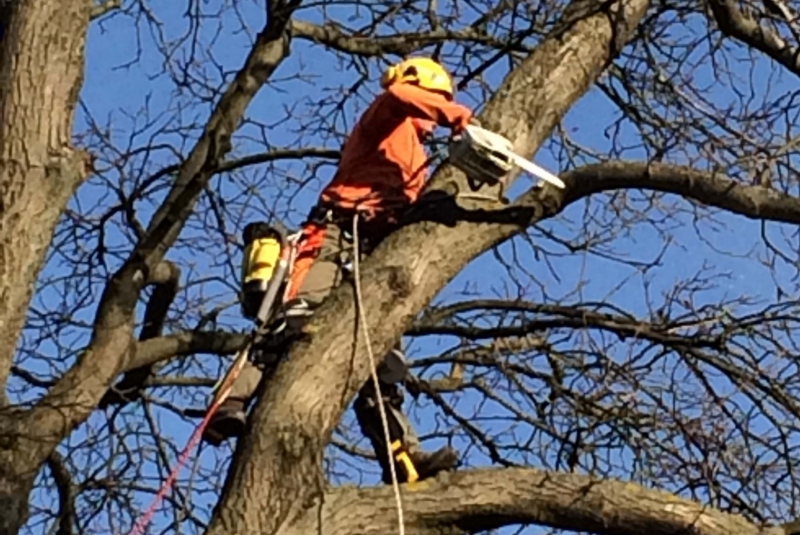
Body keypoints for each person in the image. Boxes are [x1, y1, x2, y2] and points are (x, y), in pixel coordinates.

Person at [202, 56, 473, 482]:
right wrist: (456, 114)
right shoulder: (385, 119)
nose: (433, 115)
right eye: (433, 99)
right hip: (333, 237)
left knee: (377, 356)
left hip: (372, 254)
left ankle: (401, 458)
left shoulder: (417, 162)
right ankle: (229, 403)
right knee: (293, 320)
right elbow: (400, 97)